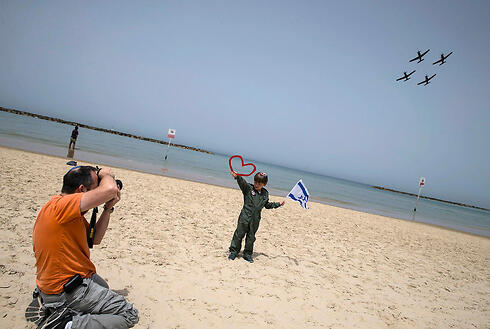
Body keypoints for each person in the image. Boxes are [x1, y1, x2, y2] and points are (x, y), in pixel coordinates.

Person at [32, 165, 138, 329]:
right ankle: (65, 325)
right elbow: (109, 189)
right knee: (129, 314)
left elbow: (95, 239)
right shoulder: (63, 206)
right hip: (65, 289)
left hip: (55, 284)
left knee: (103, 287)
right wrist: (106, 174)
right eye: (97, 188)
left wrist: (107, 209)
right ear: (82, 189)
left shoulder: (64, 210)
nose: (99, 193)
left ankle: (57, 309)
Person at [228, 171, 285, 263]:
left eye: (259, 183)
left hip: (255, 219)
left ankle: (247, 254)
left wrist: (278, 204)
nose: (256, 184)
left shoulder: (265, 194)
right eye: (255, 181)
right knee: (239, 234)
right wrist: (237, 176)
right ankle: (234, 251)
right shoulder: (248, 189)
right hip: (245, 216)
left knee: (251, 237)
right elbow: (242, 182)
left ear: (264, 184)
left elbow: (267, 205)